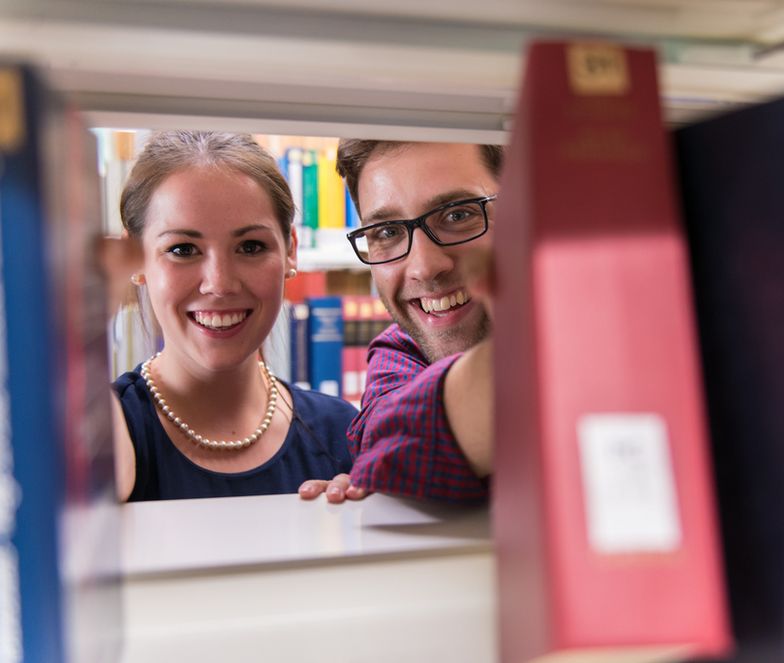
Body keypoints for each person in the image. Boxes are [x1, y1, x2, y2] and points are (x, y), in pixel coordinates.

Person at [112, 130, 357, 502]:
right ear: (135, 257)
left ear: (291, 251)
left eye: (250, 246)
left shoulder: (342, 432)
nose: (220, 284)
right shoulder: (111, 434)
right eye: (182, 249)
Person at [299, 140, 500, 504]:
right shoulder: (400, 351)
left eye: (457, 215)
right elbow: (386, 442)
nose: (424, 267)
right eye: (387, 232)